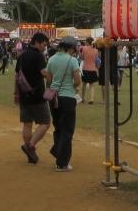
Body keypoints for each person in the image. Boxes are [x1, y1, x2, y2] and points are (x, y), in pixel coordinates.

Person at [45, 36, 82, 171]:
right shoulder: (72, 60)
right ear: (71, 48)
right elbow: (77, 81)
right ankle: (62, 163)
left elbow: (49, 80)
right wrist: (72, 86)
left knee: (58, 127)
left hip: (54, 97)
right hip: (67, 98)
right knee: (67, 130)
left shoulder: (51, 59)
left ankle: (58, 152)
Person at [15, 32, 51, 164]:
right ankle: (30, 146)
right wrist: (51, 77)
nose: (44, 48)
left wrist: (16, 93)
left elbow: (17, 76)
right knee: (46, 122)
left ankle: (30, 153)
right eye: (43, 45)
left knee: (27, 123)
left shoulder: (22, 55)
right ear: (37, 42)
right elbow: (44, 73)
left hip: (23, 94)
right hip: (37, 95)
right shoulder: (38, 56)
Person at [78, 38, 100, 104]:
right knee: (92, 85)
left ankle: (83, 98)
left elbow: (81, 57)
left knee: (84, 84)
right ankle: (91, 99)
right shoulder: (95, 50)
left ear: (87, 42)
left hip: (85, 68)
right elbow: (96, 60)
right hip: (93, 69)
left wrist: (80, 53)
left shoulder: (84, 48)